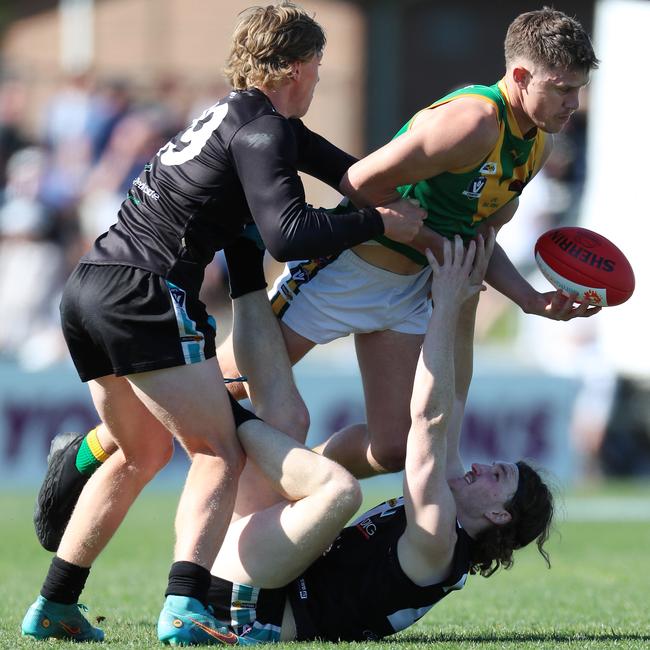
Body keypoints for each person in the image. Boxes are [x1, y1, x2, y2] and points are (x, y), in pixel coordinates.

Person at [22, 2, 424, 644]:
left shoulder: (236, 116)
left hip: (90, 288)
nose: (319, 81)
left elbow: (348, 174)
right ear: (296, 66)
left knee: (142, 451)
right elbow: (289, 235)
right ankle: (186, 609)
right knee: (216, 453)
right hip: (146, 293)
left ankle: (55, 602)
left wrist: (421, 188)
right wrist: (382, 225)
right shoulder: (264, 131)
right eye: (318, 67)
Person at [222, 6, 603, 480]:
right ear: (522, 75)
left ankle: (295, 480)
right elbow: (358, 181)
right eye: (562, 89)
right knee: (220, 388)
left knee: (396, 448)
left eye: (579, 90)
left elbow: (477, 238)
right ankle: (105, 450)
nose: (573, 104)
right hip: (347, 272)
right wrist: (430, 242)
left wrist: (530, 299)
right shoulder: (474, 120)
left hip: (406, 296)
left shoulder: (538, 144)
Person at [205, 232, 554, 643]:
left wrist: (442, 306)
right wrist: (466, 295)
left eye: (497, 477)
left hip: (244, 613)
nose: (481, 466)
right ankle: (242, 253)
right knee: (287, 418)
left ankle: (213, 406)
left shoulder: (439, 538)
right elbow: (457, 388)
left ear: (499, 515)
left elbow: (429, 417)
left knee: (341, 491)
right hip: (252, 573)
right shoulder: (450, 500)